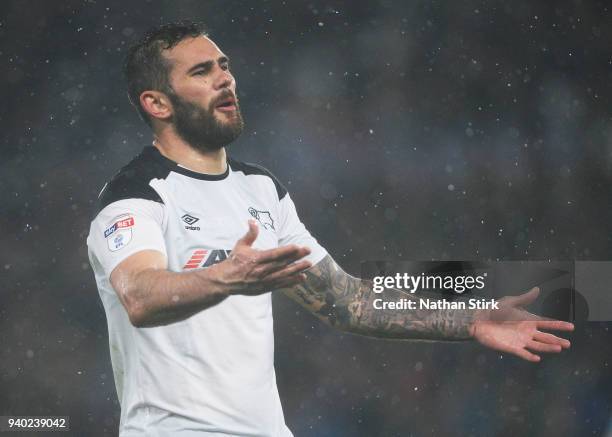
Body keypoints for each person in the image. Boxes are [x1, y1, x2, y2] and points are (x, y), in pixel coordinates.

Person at [86, 21, 574, 437]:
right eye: (201, 71)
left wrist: (470, 319)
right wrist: (225, 277)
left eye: (224, 66)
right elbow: (140, 296)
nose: (225, 80)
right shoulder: (138, 194)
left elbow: (345, 300)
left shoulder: (260, 189)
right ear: (158, 103)